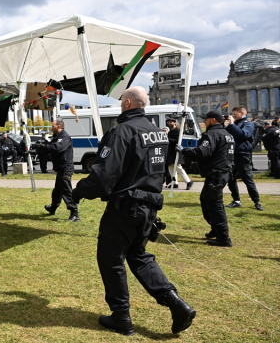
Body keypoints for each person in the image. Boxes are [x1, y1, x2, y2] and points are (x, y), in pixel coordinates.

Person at [71, 86, 195, 336]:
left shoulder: (122, 132)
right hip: (148, 207)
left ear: (127, 103)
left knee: (111, 259)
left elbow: (104, 176)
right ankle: (175, 303)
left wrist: (78, 191)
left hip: (125, 208)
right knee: (138, 255)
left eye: (121, 101)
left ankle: (121, 317)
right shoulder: (157, 132)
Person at [177, 111, 235, 246]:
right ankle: (215, 229)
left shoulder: (212, 134)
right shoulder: (227, 134)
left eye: (206, 119)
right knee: (205, 199)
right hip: (223, 173)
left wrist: (183, 150)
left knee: (215, 205)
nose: (205, 122)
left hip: (216, 174)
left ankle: (223, 237)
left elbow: (202, 153)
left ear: (213, 120)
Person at [223, 106, 263, 210]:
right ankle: (236, 200)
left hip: (242, 155)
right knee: (231, 179)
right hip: (231, 154)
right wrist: (223, 123)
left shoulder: (248, 124)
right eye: (233, 114)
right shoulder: (234, 124)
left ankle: (257, 202)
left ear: (243, 113)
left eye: (235, 113)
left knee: (247, 179)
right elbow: (223, 134)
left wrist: (232, 124)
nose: (233, 115)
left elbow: (243, 134)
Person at [40, 120, 78, 221]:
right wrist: (40, 147)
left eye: (53, 126)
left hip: (65, 168)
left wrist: (44, 146)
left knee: (66, 190)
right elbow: (51, 148)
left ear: (59, 127)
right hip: (61, 168)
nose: (51, 128)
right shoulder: (57, 137)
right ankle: (53, 209)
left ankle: (75, 213)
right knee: (57, 191)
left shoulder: (64, 137)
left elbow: (57, 148)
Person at [164, 116, 193, 190]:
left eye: (171, 122)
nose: (169, 123)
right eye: (168, 122)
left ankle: (189, 181)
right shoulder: (170, 132)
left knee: (178, 167)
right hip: (170, 152)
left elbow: (177, 141)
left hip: (176, 152)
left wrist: (167, 137)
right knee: (170, 167)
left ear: (175, 123)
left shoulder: (178, 131)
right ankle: (175, 183)